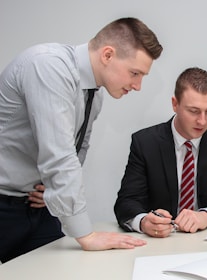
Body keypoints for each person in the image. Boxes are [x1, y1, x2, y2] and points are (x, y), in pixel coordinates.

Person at [0, 17, 163, 263]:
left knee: (61, 270)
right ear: (107, 55)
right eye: (135, 73)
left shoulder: (94, 95)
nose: (138, 85)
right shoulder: (48, 66)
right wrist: (86, 234)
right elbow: (60, 156)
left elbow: (78, 150)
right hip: (3, 203)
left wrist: (53, 191)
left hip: (36, 205)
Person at [114, 67, 207, 237]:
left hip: (206, 240)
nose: (202, 121)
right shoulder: (145, 143)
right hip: (160, 243)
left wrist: (206, 216)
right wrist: (144, 222)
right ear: (175, 104)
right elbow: (126, 202)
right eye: (193, 111)